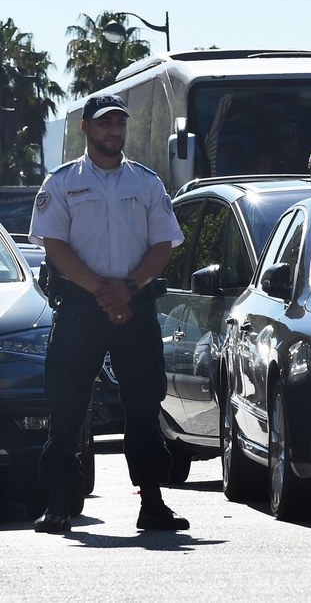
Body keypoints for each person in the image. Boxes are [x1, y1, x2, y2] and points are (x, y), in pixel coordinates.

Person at [28, 94, 188, 533]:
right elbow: (54, 246)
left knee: (143, 404)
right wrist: (102, 291)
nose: (113, 131)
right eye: (104, 124)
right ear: (86, 129)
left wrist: (127, 288)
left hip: (134, 303)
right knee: (68, 405)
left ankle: (152, 502)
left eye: (119, 123)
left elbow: (163, 245)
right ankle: (61, 503)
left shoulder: (146, 182)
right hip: (82, 306)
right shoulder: (61, 183)